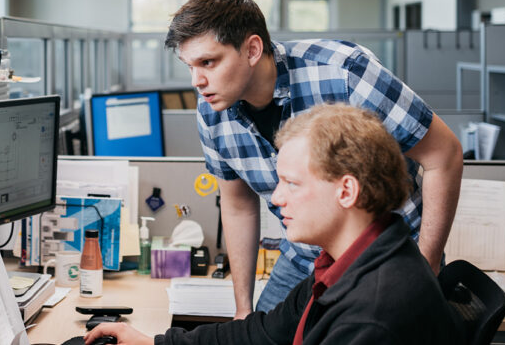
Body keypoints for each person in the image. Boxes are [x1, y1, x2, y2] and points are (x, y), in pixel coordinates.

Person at [164, 0, 463, 315]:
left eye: (208, 62)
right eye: (189, 66)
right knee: (254, 334)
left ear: (251, 50)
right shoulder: (211, 113)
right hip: (304, 258)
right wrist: (242, 308)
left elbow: (443, 156)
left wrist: (426, 266)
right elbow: (238, 208)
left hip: (386, 255)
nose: (196, 80)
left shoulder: (345, 72)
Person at [85, 104, 464, 345]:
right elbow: (263, 332)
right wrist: (153, 343)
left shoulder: (373, 315)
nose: (276, 198)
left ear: (346, 191)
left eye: (292, 184)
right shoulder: (343, 265)